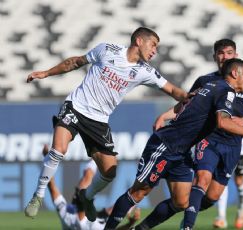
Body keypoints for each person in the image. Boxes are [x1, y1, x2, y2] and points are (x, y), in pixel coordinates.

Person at [24, 27, 189, 221]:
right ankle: (39, 195)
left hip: (99, 121)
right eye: (153, 45)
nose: (154, 51)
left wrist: (194, 97)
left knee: (110, 171)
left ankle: (87, 196)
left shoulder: (145, 71)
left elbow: (172, 90)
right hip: (76, 107)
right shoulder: (107, 50)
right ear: (138, 41)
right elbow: (75, 62)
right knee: (58, 149)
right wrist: (45, 73)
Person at [104, 58, 243, 230]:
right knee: (138, 192)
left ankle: (141, 228)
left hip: (181, 153)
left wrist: (165, 115)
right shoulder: (225, 91)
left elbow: (187, 101)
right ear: (235, 73)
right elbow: (223, 122)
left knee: (182, 201)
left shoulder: (211, 86)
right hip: (165, 145)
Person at [141, 39, 243, 230]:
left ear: (236, 56)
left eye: (229, 53)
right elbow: (186, 105)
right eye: (221, 53)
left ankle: (179, 209)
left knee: (212, 196)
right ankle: (187, 226)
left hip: (232, 144)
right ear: (215, 56)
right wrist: (165, 116)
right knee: (202, 179)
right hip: (208, 139)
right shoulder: (205, 81)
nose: (225, 57)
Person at [41, 144, 141, 230]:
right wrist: (130, 223)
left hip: (91, 216)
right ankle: (131, 200)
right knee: (121, 205)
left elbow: (52, 187)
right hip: (95, 217)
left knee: (87, 176)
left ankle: (97, 157)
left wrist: (47, 159)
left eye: (77, 190)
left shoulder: (67, 216)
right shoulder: (93, 226)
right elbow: (52, 187)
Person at [214, 135, 243, 229]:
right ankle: (221, 217)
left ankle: (242, 208)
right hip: (225, 145)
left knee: (239, 181)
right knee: (222, 178)